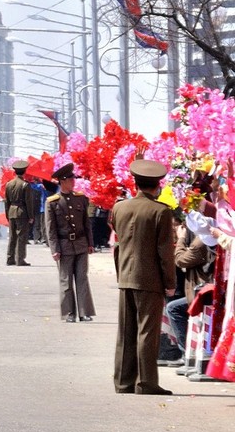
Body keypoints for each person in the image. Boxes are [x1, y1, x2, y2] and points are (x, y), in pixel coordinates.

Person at [111, 159, 176, 395]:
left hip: (125, 276)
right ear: (157, 185)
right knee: (147, 331)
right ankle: (146, 382)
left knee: (126, 331)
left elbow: (118, 236)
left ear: (135, 182)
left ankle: (123, 382)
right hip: (149, 279)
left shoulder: (119, 207)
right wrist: (170, 282)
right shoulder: (160, 211)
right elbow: (165, 252)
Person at [44, 164, 95, 323]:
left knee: (82, 279)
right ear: (62, 181)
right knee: (66, 280)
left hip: (80, 243)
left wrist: (90, 243)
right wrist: (54, 249)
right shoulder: (52, 202)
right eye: (71, 179)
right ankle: (69, 313)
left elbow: (86, 223)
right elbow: (50, 229)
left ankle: (84, 312)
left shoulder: (80, 198)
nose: (74, 181)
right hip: (64, 245)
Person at [164, 217, 214, 367]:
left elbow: (181, 260)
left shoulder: (201, 240)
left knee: (173, 308)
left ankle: (187, 351)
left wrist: (181, 239)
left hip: (203, 291)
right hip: (199, 288)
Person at [3, 160, 36, 266]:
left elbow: (6, 201)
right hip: (22, 212)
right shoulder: (25, 185)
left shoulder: (9, 184)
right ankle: (20, 259)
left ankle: (10, 258)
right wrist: (31, 216)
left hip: (12, 211)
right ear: (24, 171)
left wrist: (7, 214)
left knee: (12, 236)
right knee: (22, 236)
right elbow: (28, 202)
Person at [30, 180, 49, 244]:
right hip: (42, 207)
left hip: (45, 207)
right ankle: (42, 238)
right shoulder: (41, 186)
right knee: (41, 224)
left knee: (45, 224)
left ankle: (45, 238)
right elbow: (33, 186)